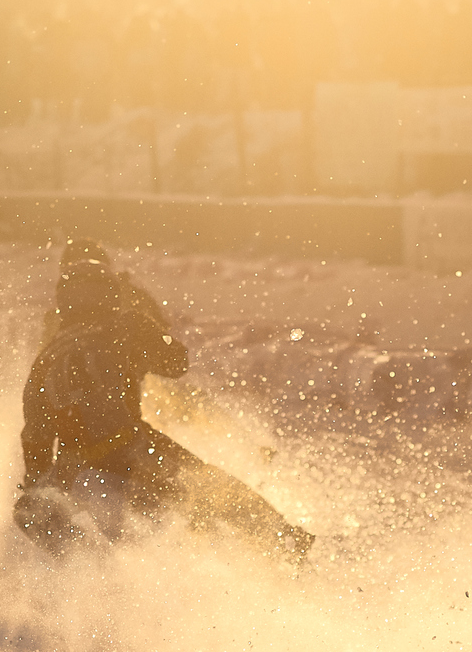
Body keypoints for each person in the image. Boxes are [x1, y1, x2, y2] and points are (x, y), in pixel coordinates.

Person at [17, 239, 313, 562]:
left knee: (41, 504)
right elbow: (176, 362)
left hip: (75, 467)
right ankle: (283, 538)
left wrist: (38, 486)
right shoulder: (124, 320)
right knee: (208, 484)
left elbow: (35, 442)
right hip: (128, 446)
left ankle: (75, 566)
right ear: (110, 290)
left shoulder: (44, 359)